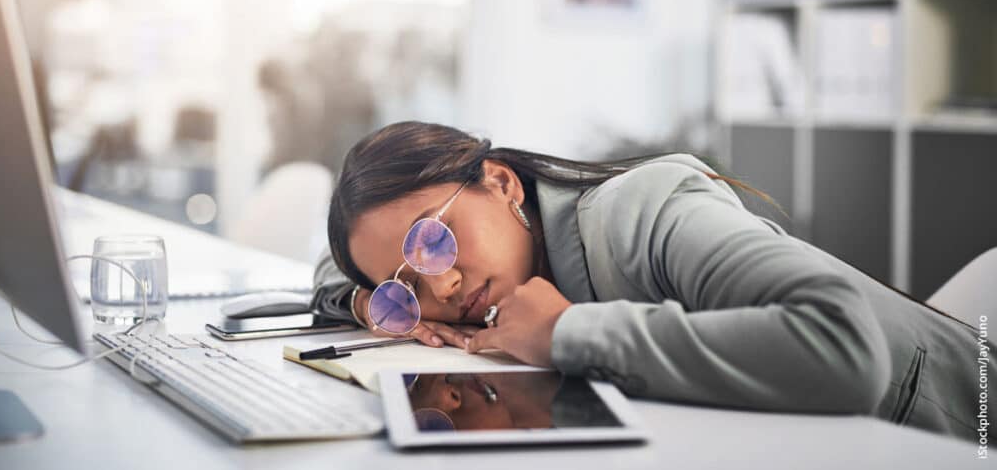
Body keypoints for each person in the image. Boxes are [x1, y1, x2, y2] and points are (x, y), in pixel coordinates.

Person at [311, 121, 992, 442]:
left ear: (500, 181)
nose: (446, 286)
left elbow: (846, 345)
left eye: (433, 239)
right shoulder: (483, 279)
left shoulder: (644, 211)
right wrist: (371, 301)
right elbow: (324, 268)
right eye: (410, 285)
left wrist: (566, 333)